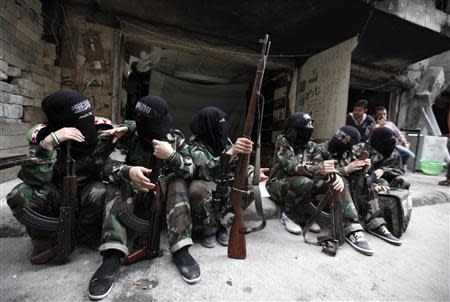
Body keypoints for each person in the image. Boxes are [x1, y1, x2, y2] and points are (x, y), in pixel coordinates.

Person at [88, 96, 199, 300]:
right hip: (133, 197)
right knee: (115, 183)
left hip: (166, 202)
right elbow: (104, 166)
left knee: (177, 182)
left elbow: (191, 169)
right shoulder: (129, 136)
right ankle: (112, 254)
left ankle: (181, 249)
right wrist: (128, 171)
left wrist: (172, 156)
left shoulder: (174, 138)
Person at [6, 91, 115, 264]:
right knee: (20, 194)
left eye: (89, 112)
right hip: (54, 191)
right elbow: (34, 178)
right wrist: (48, 145)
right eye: (81, 116)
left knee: (100, 191)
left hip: (87, 191)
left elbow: (138, 133)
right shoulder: (41, 136)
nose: (89, 118)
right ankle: (45, 243)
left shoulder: (102, 128)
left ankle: (87, 236)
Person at [187, 107, 268, 248]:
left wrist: (252, 172)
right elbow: (206, 169)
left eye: (225, 122)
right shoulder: (194, 146)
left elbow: (239, 164)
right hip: (208, 185)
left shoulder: (224, 141)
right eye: (220, 123)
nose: (223, 127)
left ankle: (222, 225)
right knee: (196, 189)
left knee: (251, 187)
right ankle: (209, 230)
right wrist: (232, 152)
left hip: (225, 184)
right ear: (209, 125)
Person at [266, 113, 352, 240]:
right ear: (297, 127)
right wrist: (319, 169)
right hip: (277, 183)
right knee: (305, 182)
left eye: (312, 124)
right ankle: (289, 215)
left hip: (303, 182)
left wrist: (334, 173)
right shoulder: (283, 141)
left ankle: (347, 224)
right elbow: (292, 167)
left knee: (330, 182)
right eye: (308, 125)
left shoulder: (311, 144)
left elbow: (321, 163)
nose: (311, 128)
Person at [324, 126, 401, 246]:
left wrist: (364, 169)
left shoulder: (348, 152)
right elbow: (317, 172)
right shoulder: (321, 149)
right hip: (323, 186)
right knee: (342, 181)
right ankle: (351, 228)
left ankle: (375, 223)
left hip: (343, 186)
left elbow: (398, 169)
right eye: (341, 137)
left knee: (365, 180)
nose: (353, 148)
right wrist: (345, 170)